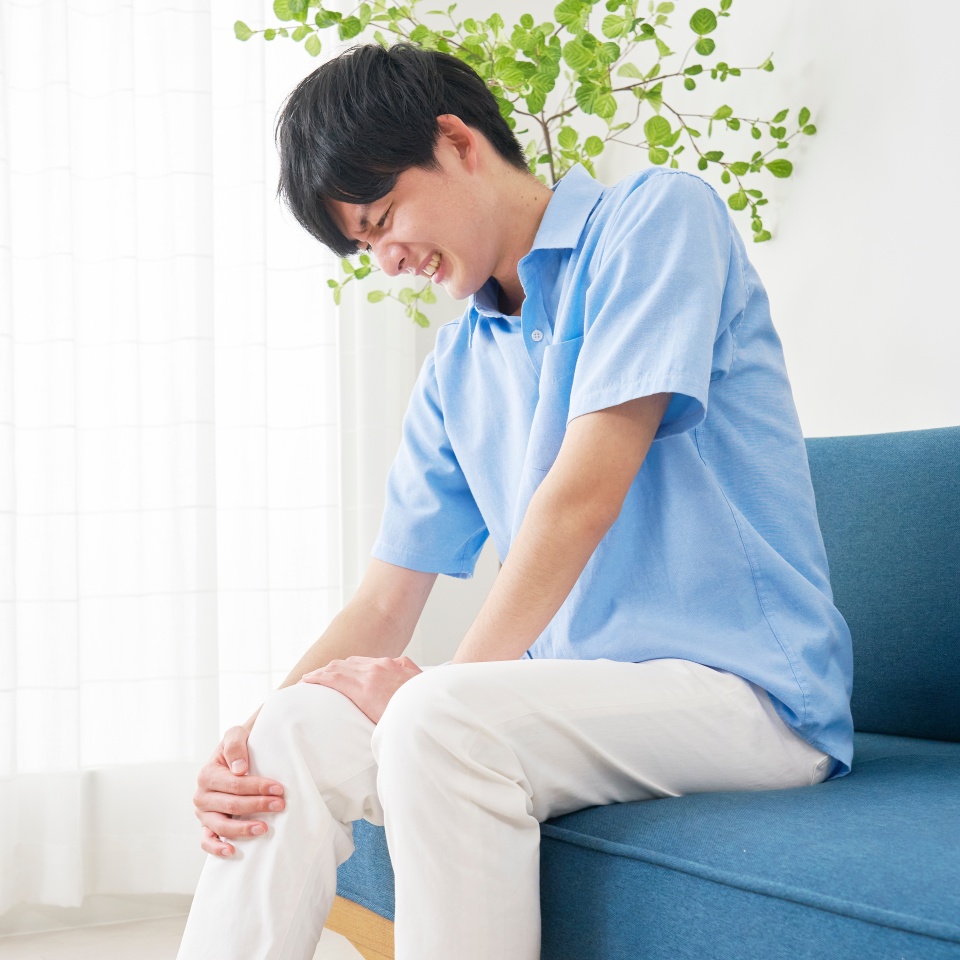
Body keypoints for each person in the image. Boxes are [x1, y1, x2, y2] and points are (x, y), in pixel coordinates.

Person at [178, 41, 853, 960]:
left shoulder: (655, 220)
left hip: (749, 701)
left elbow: (582, 496)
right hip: (576, 709)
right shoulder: (456, 368)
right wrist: (242, 746)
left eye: (382, 218)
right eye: (365, 246)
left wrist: (440, 685)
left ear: (455, 141)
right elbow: (384, 603)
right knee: (291, 732)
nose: (387, 261)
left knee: (437, 714)